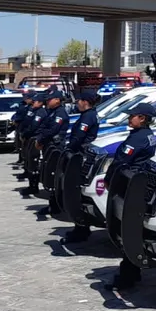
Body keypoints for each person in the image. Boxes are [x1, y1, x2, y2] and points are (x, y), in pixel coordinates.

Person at [106, 102, 156, 291]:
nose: (129, 118)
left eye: (132, 116)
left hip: (129, 185)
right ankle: (131, 271)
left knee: (127, 230)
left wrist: (109, 179)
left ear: (142, 118)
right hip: (135, 184)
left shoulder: (138, 138)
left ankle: (127, 276)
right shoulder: (146, 135)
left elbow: (122, 161)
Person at [61, 90, 101, 243]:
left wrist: (68, 149)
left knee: (76, 194)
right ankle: (81, 227)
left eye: (79, 100)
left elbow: (78, 138)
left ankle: (81, 228)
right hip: (81, 156)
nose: (77, 103)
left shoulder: (88, 116)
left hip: (80, 157)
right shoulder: (89, 114)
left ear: (85, 102)